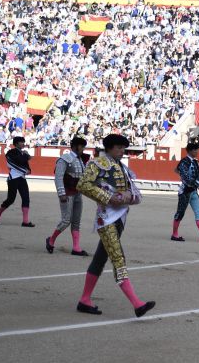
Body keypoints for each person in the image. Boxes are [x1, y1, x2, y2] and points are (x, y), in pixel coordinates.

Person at [75, 134, 155, 317]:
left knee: (100, 259)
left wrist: (129, 196)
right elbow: (83, 185)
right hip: (106, 219)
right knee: (118, 258)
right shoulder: (98, 163)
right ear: (110, 148)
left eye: (123, 148)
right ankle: (137, 304)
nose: (122, 151)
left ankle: (84, 300)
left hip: (120, 218)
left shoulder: (122, 168)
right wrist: (109, 197)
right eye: (119, 147)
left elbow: (135, 194)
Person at [46, 137, 90, 256]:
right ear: (75, 146)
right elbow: (58, 177)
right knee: (66, 220)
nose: (83, 149)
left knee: (76, 221)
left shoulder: (81, 159)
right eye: (82, 146)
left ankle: (76, 248)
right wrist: (62, 193)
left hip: (77, 193)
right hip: (67, 193)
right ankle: (51, 240)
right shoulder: (64, 158)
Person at [171, 141, 199, 242]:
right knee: (180, 213)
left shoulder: (194, 162)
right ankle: (174, 234)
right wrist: (198, 186)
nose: (197, 152)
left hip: (193, 191)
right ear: (190, 151)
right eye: (195, 150)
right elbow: (183, 175)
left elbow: (179, 171)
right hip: (185, 192)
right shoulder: (184, 162)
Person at [0, 136, 34, 227]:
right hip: (13, 178)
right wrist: (26, 156)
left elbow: (26, 165)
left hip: (22, 178)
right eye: (21, 142)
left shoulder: (22, 153)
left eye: (23, 142)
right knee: (10, 199)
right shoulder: (10, 152)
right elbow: (19, 160)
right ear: (16, 143)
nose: (23, 143)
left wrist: (28, 170)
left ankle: (25, 221)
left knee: (26, 198)